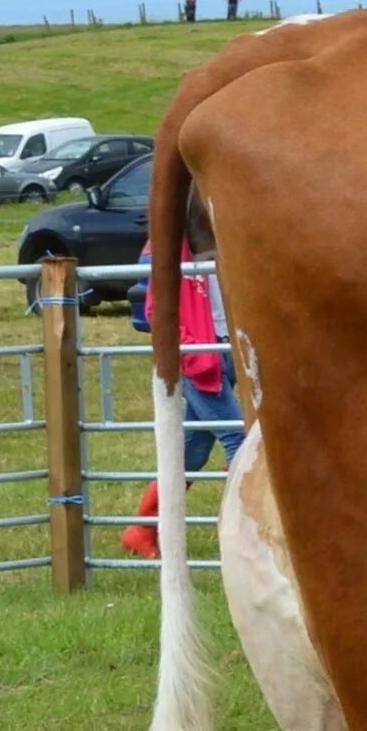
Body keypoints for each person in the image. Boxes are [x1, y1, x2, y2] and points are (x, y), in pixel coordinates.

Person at [117, 236, 243, 559]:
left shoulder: (216, 232)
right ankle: (246, 536)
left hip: (220, 347)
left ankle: (142, 528)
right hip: (197, 354)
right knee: (236, 438)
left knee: (194, 450)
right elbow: (156, 302)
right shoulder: (171, 242)